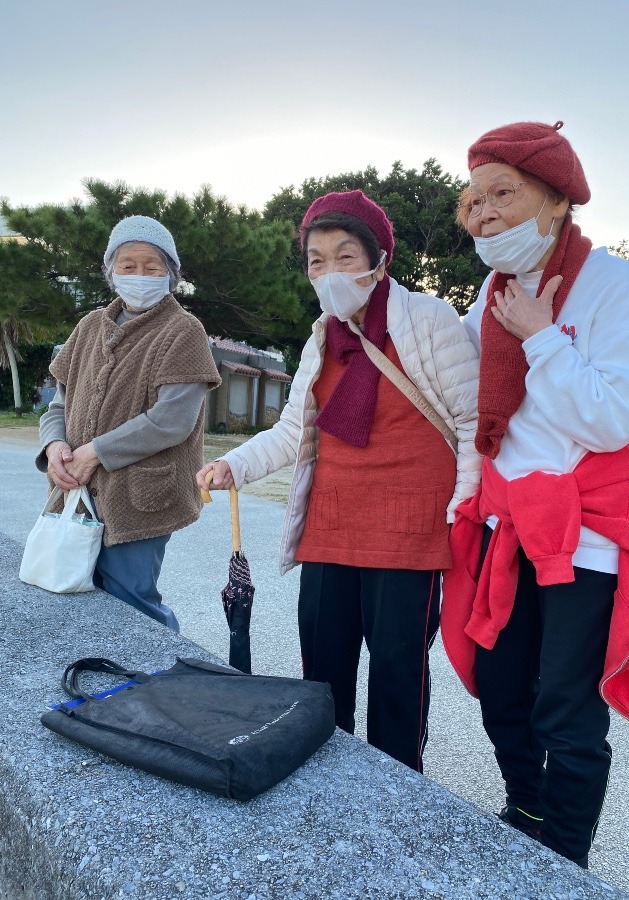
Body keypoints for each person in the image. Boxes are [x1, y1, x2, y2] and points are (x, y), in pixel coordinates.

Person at [440, 121, 629, 867]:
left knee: (565, 709)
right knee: (502, 687)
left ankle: (564, 861)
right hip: (509, 519)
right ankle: (524, 806)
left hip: (589, 530)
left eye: (501, 193)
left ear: (555, 200)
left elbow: (610, 420)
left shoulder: (611, 282)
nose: (483, 214)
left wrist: (543, 337)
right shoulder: (489, 291)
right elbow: (457, 386)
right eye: (472, 200)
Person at [197, 190, 481, 772]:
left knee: (399, 673)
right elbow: (291, 431)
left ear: (380, 260)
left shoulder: (427, 319)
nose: (329, 272)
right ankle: (328, 781)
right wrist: (236, 466)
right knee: (322, 666)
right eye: (316, 260)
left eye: (345, 256)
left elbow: (475, 423)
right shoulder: (322, 335)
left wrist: (462, 507)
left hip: (411, 530)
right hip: (332, 524)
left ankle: (399, 785)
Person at [38, 215, 221, 631]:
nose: (140, 274)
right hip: (77, 488)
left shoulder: (184, 331)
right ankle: (102, 685)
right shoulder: (88, 327)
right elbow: (57, 406)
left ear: (171, 275)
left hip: (140, 497)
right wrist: (54, 447)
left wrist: (96, 452)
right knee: (76, 591)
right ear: (111, 271)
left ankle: (158, 682)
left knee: (132, 601)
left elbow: (171, 420)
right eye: (128, 265)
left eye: (152, 266)